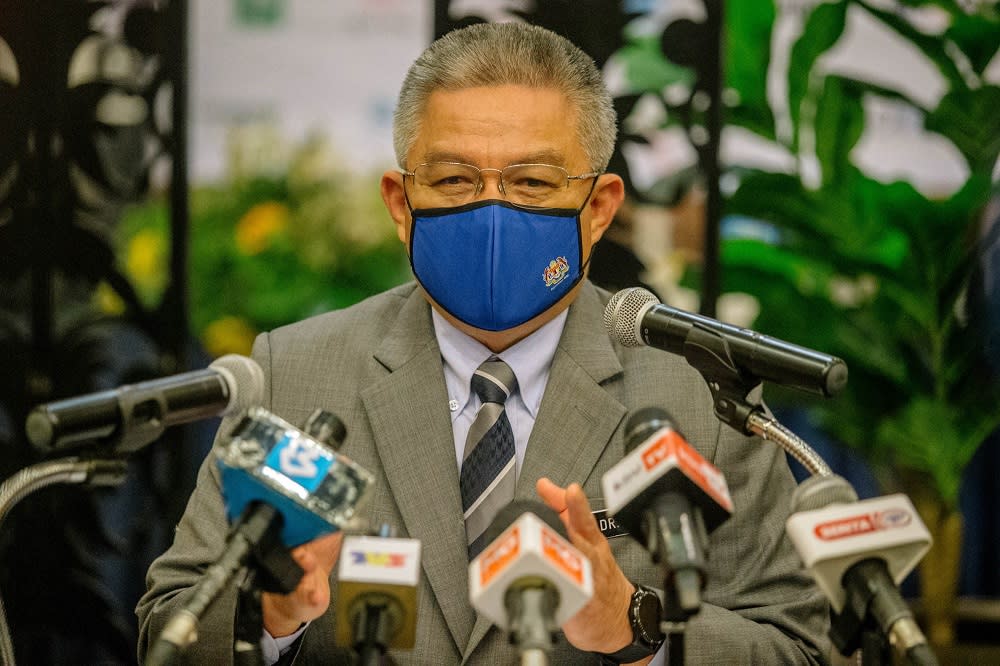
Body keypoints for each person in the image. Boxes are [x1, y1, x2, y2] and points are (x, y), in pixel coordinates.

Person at [137, 22, 830, 664]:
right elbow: (168, 629)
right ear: (401, 205)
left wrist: (634, 625)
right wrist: (272, 614)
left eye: (531, 183)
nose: (491, 212)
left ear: (598, 208)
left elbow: (795, 646)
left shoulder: (696, 393)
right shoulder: (295, 376)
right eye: (454, 180)